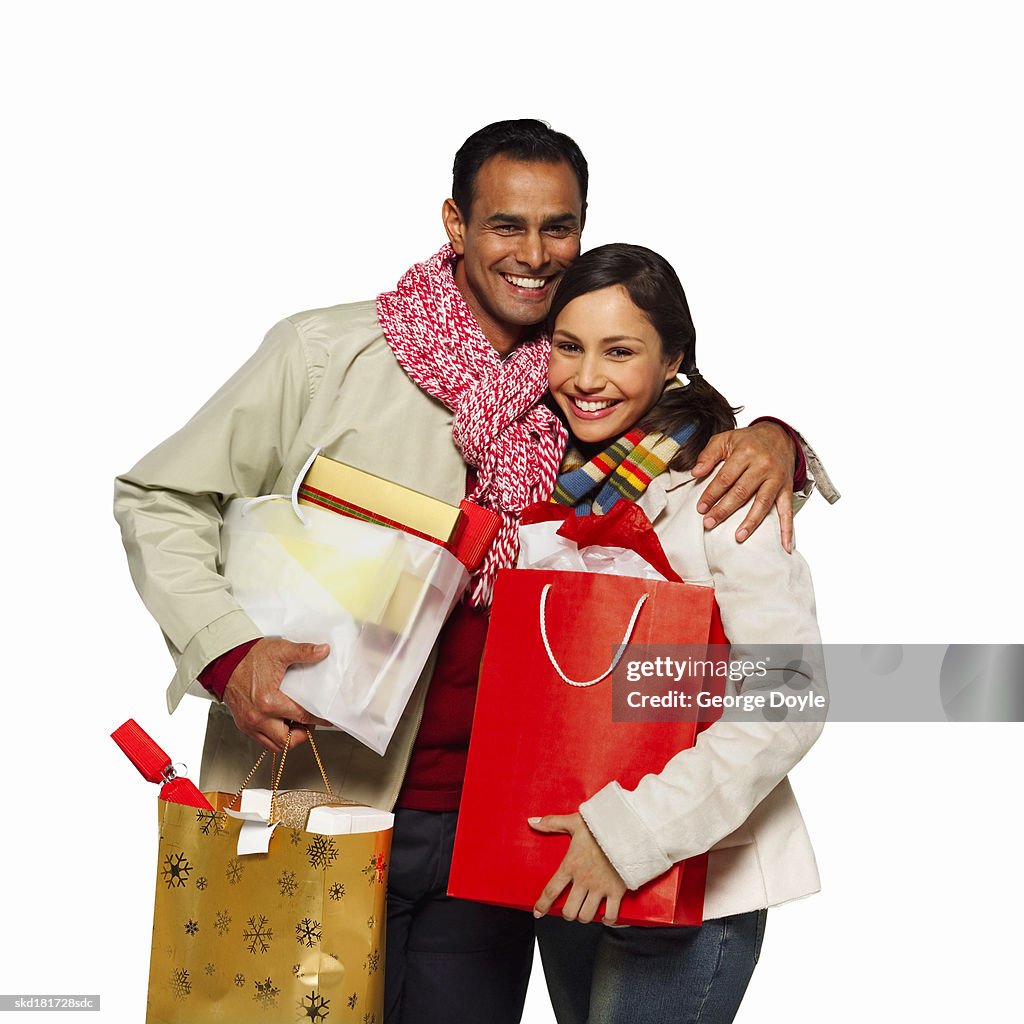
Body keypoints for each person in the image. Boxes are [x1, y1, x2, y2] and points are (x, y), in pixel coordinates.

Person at [113, 120, 831, 1024]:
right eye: (504, 225)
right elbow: (160, 495)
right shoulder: (327, 356)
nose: (533, 255)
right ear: (455, 223)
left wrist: (778, 442)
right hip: (319, 795)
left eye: (557, 228)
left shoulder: (577, 403)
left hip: (496, 843)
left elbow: (680, 438)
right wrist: (226, 651)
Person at [527, 242, 825, 1024]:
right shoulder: (542, 481)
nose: (587, 378)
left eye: (620, 351)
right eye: (568, 346)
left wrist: (628, 834)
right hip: (565, 862)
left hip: (691, 869)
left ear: (673, 361)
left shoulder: (727, 488)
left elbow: (787, 701)